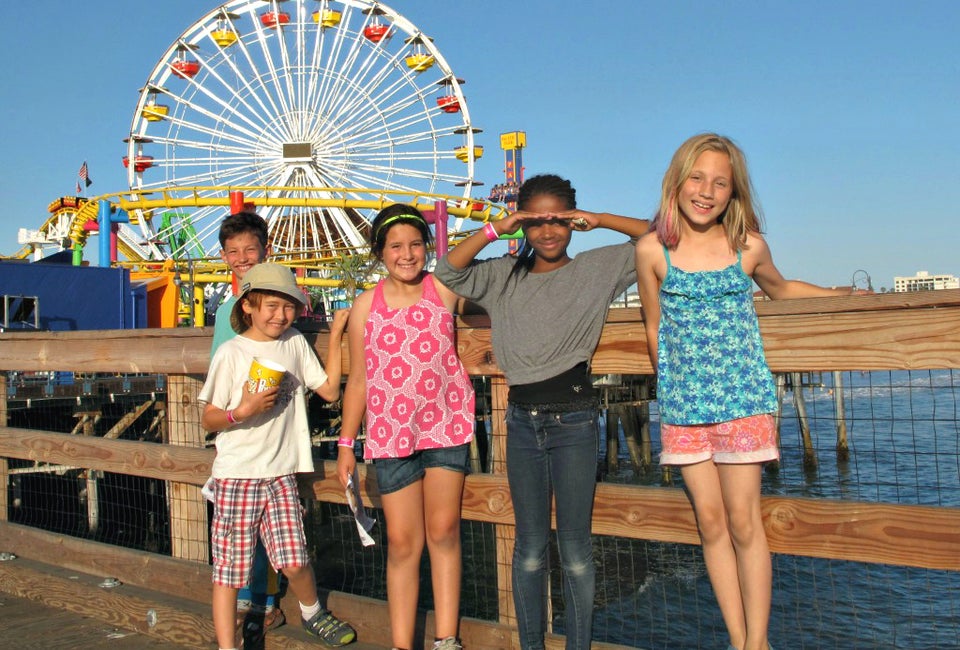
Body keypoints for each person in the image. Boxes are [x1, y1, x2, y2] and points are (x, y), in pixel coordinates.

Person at [634, 133, 856, 650]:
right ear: (677, 180)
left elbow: (780, 289)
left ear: (734, 192)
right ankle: (738, 640)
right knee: (710, 523)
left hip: (743, 404)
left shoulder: (748, 246)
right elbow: (652, 327)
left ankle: (758, 641)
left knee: (744, 522)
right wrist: (670, 388)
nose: (706, 191)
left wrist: (838, 294)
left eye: (720, 182)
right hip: (684, 410)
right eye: (697, 177)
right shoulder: (652, 250)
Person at [433, 174, 650, 650]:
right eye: (536, 222)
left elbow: (659, 238)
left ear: (573, 221)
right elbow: (447, 271)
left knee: (575, 552)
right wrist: (498, 228)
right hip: (523, 423)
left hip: (574, 420)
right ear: (523, 226)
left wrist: (598, 219)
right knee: (529, 551)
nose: (547, 232)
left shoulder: (598, 268)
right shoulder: (501, 276)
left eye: (558, 220)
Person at [336, 204, 475, 650]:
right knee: (400, 542)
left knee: (445, 532)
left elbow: (478, 269)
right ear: (380, 253)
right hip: (390, 436)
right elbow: (358, 378)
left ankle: (446, 638)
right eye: (395, 246)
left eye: (416, 244)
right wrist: (345, 442)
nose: (408, 254)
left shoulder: (443, 290)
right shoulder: (364, 306)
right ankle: (402, 643)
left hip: (446, 428)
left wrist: (495, 229)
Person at [199, 263, 355, 650]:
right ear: (248, 305)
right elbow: (209, 417)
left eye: (289, 308)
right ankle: (226, 645)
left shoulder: (295, 344)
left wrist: (334, 335)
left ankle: (312, 612)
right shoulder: (231, 353)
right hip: (237, 475)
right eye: (270, 306)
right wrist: (243, 410)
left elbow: (331, 392)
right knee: (229, 573)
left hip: (281, 473)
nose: (280, 315)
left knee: (295, 558)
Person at [209, 211, 285, 643]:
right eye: (233, 252)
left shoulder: (280, 306)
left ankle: (263, 599)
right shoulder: (225, 311)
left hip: (270, 431)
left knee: (271, 526)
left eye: (249, 250)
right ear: (224, 257)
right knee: (235, 525)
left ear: (265, 251)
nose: (241, 258)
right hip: (235, 428)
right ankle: (242, 600)